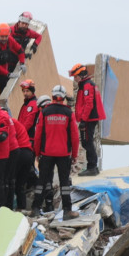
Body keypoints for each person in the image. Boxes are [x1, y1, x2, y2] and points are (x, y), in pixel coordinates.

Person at [31, 85, 81, 218]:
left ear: (52, 96)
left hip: (46, 153)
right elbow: (75, 137)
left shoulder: (44, 112)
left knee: (41, 181)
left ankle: (35, 209)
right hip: (64, 154)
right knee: (65, 183)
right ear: (63, 97)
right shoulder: (69, 113)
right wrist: (75, 155)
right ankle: (67, 211)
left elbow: (38, 134)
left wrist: (37, 153)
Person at [70, 63, 106, 176]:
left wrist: (83, 120)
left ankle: (92, 167)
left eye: (76, 76)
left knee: (87, 142)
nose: (75, 79)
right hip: (89, 118)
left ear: (81, 75)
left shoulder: (87, 85)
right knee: (87, 142)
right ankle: (92, 166)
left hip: (89, 119)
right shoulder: (85, 85)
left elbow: (88, 104)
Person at [0, 24, 25, 91]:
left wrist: (22, 63)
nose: (4, 39)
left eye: (6, 36)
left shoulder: (10, 40)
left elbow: (20, 50)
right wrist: (8, 74)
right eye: (2, 37)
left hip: (6, 69)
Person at [9, 116, 37, 212]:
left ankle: (9, 207)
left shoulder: (8, 123)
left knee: (11, 181)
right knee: (20, 183)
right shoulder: (16, 123)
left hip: (19, 153)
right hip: (28, 153)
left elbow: (9, 140)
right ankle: (21, 207)